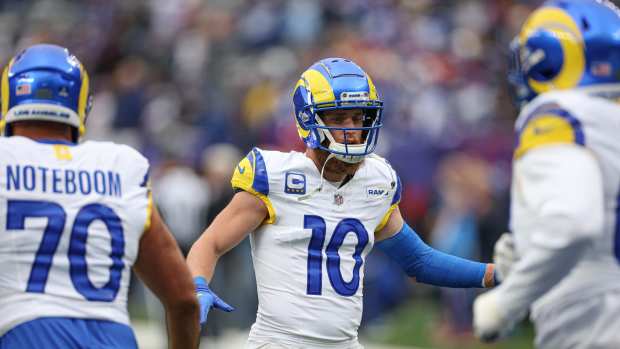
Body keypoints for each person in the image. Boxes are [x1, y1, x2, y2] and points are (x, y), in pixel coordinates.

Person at [187, 57, 497, 348]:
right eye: (338, 118)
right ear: (309, 119)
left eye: (358, 117)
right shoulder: (275, 176)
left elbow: (419, 261)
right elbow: (211, 243)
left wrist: (494, 273)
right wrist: (197, 285)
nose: (351, 128)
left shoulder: (377, 180)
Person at [0, 44, 199, 348]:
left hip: (25, 335)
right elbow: (185, 300)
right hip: (113, 338)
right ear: (81, 105)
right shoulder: (121, 167)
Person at [473, 1, 620, 348]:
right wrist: (532, 245)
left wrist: (505, 303)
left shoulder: (557, 113)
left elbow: (573, 224)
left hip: (594, 323)